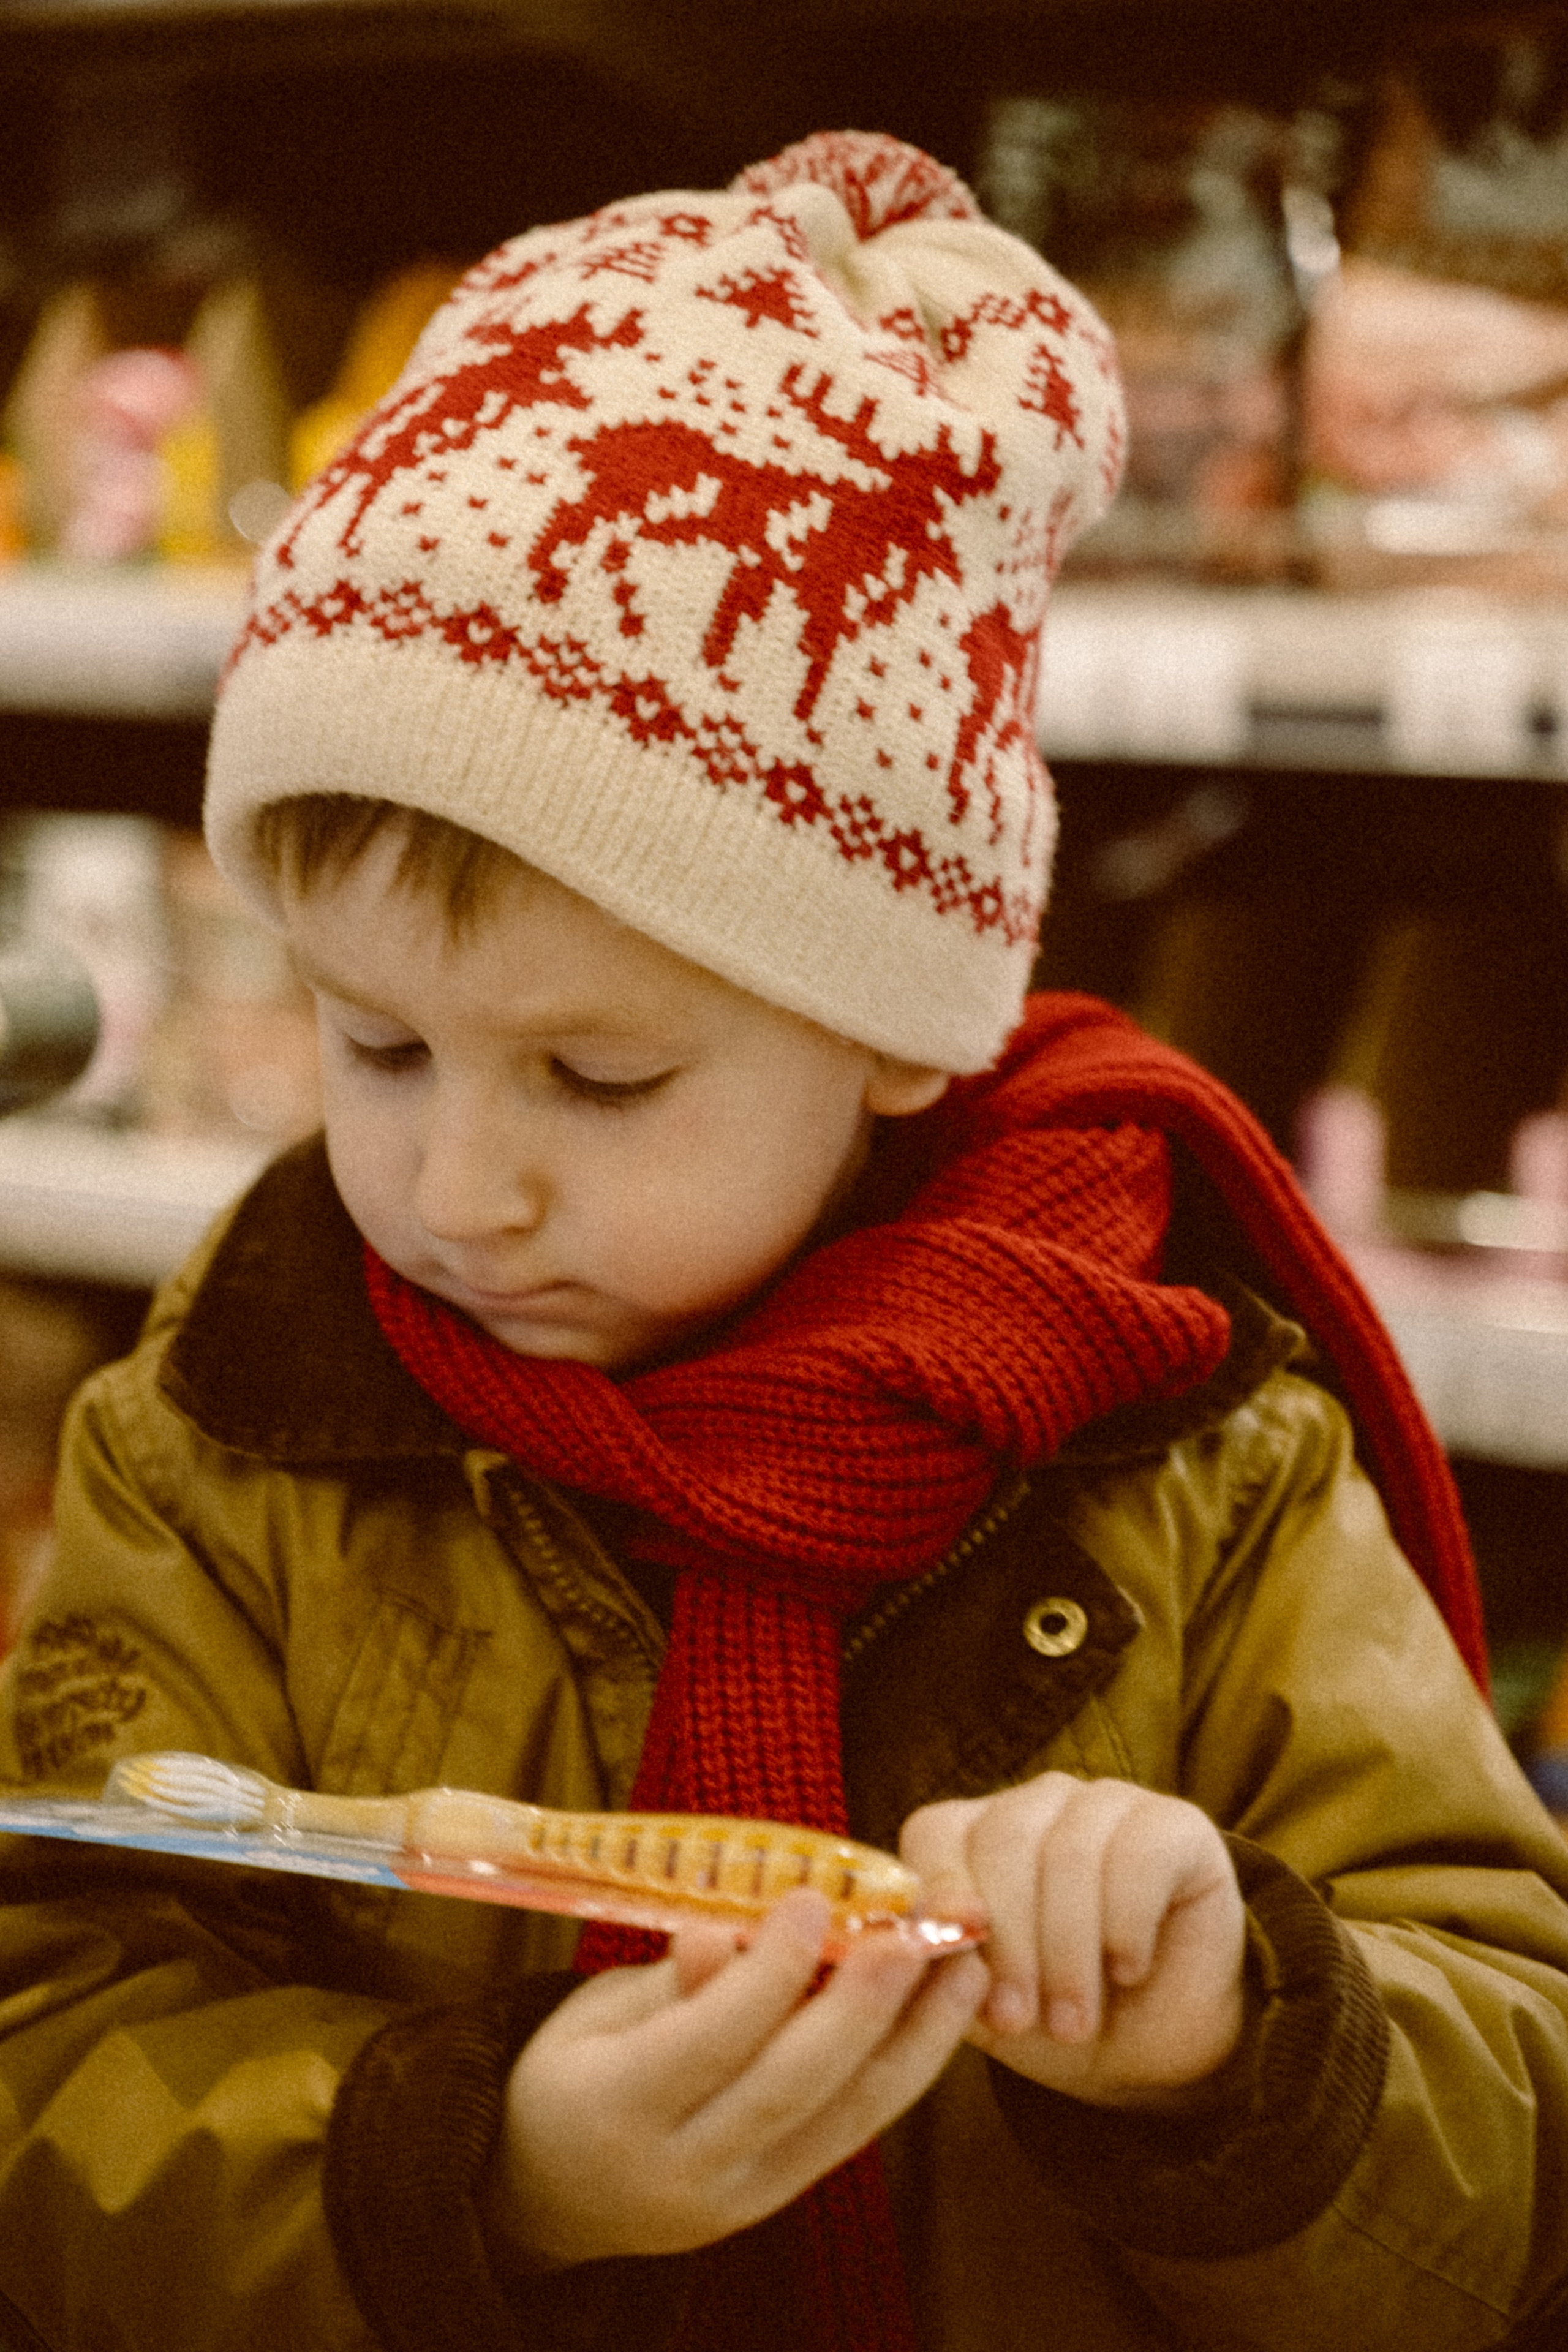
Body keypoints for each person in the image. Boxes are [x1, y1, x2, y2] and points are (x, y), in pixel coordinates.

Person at [2, 129, 1567, 2352]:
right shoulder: (227, 1443)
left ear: (895, 1034)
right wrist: (483, 2164)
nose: (458, 1189)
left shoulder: (1193, 1465)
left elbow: (1514, 2135)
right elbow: (45, 2060)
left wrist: (1242, 2046)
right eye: (376, 1048)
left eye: (599, 1080)